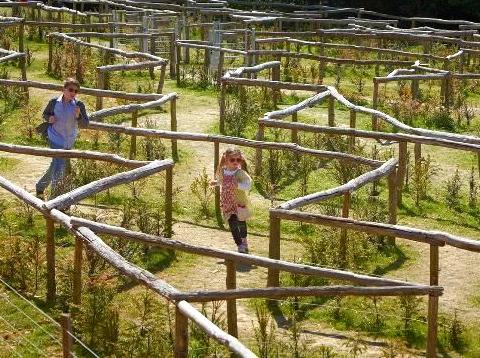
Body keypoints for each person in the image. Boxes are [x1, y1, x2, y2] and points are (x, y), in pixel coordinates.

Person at [36, 78, 89, 199]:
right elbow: (45, 114)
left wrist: (78, 116)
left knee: (55, 164)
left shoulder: (79, 105)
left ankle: (40, 187)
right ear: (63, 89)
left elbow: (85, 124)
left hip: (69, 140)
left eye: (76, 91)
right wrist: (49, 118)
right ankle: (55, 198)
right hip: (54, 137)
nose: (73, 93)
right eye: (71, 90)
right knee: (59, 166)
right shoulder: (54, 102)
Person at [212, 148, 252, 253]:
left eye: (238, 160)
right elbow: (222, 181)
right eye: (232, 160)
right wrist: (216, 183)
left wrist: (238, 185)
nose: (235, 162)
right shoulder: (223, 171)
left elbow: (249, 184)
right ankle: (239, 244)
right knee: (232, 223)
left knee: (241, 223)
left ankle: (244, 240)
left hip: (238, 202)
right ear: (226, 160)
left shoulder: (239, 173)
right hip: (227, 203)